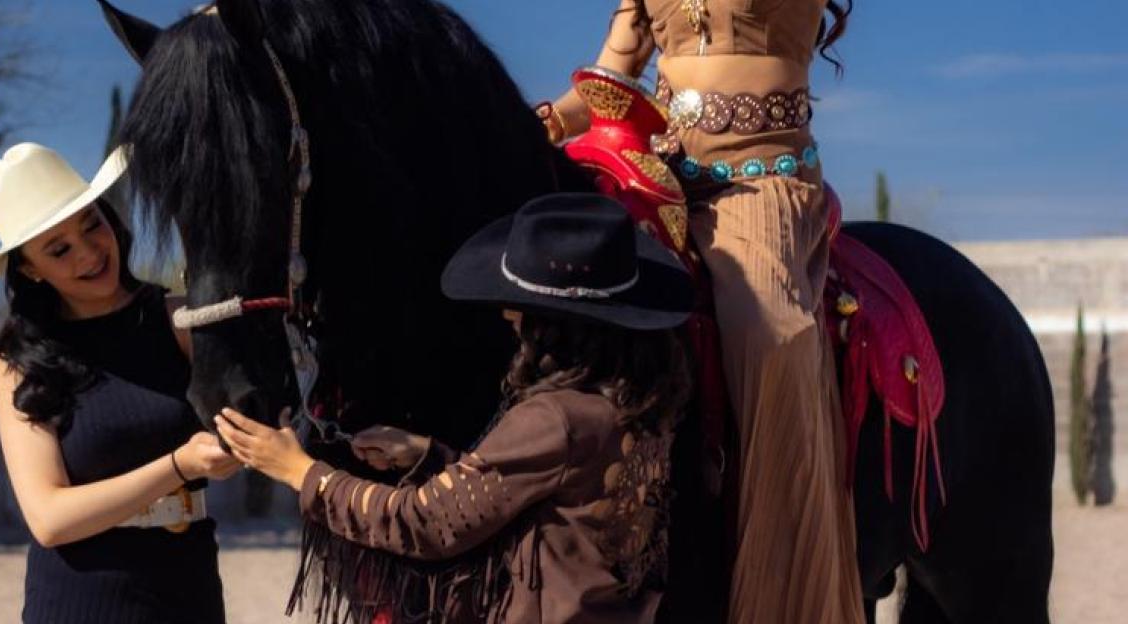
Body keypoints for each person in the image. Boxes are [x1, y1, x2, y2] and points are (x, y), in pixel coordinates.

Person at [216, 193, 694, 623]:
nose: (510, 318)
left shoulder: (555, 417)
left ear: (554, 326)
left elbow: (424, 522)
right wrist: (429, 455)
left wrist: (301, 472)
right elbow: (547, 497)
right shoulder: (637, 401)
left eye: (519, 308)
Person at [538, 2, 864, 622]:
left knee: (772, 333)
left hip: (760, 180)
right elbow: (614, 77)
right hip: (656, 171)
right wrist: (547, 121)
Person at [0, 142, 241, 623]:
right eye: (59, 249)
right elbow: (49, 519)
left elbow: (252, 414)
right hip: (79, 602)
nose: (88, 252)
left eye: (92, 224)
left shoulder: (179, 322)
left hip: (188, 590)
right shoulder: (18, 363)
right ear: (30, 269)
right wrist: (179, 464)